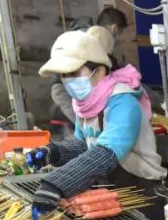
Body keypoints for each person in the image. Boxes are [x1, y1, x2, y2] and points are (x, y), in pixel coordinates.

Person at [30, 30, 165, 215]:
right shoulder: (85, 104)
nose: (67, 81)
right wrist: (53, 152)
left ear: (99, 72)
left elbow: (107, 153)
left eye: (73, 73)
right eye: (63, 75)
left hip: (142, 189)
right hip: (110, 189)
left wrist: (55, 184)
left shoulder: (123, 102)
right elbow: (83, 144)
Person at [51, 8, 130, 137]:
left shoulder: (89, 40)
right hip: (67, 110)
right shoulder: (89, 43)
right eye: (119, 32)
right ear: (115, 28)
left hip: (70, 106)